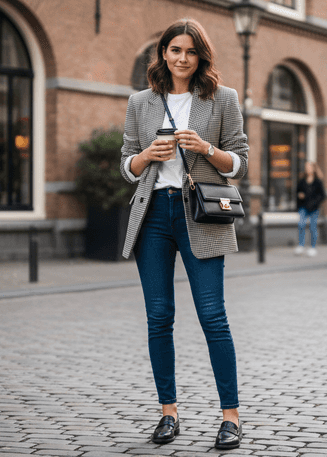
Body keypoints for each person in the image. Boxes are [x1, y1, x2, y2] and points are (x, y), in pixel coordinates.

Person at [119, 18, 248, 450]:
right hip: (154, 214)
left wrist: (207, 149)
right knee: (160, 318)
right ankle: (167, 414)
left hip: (200, 214)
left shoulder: (222, 99)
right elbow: (126, 165)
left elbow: (241, 163)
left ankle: (230, 418)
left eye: (191, 51)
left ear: (201, 57)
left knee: (213, 316)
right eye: (175, 50)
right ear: (163, 54)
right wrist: (144, 157)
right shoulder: (141, 102)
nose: (182, 58)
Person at [295, 161, 325, 257]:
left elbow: (322, 195)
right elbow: (297, 191)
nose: (307, 169)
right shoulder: (302, 180)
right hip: (303, 207)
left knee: (313, 227)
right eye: (306, 167)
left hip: (314, 208)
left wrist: (315, 202)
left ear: (313, 168)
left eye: (309, 167)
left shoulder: (318, 181)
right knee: (301, 224)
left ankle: (313, 247)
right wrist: (299, 196)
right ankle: (301, 245)